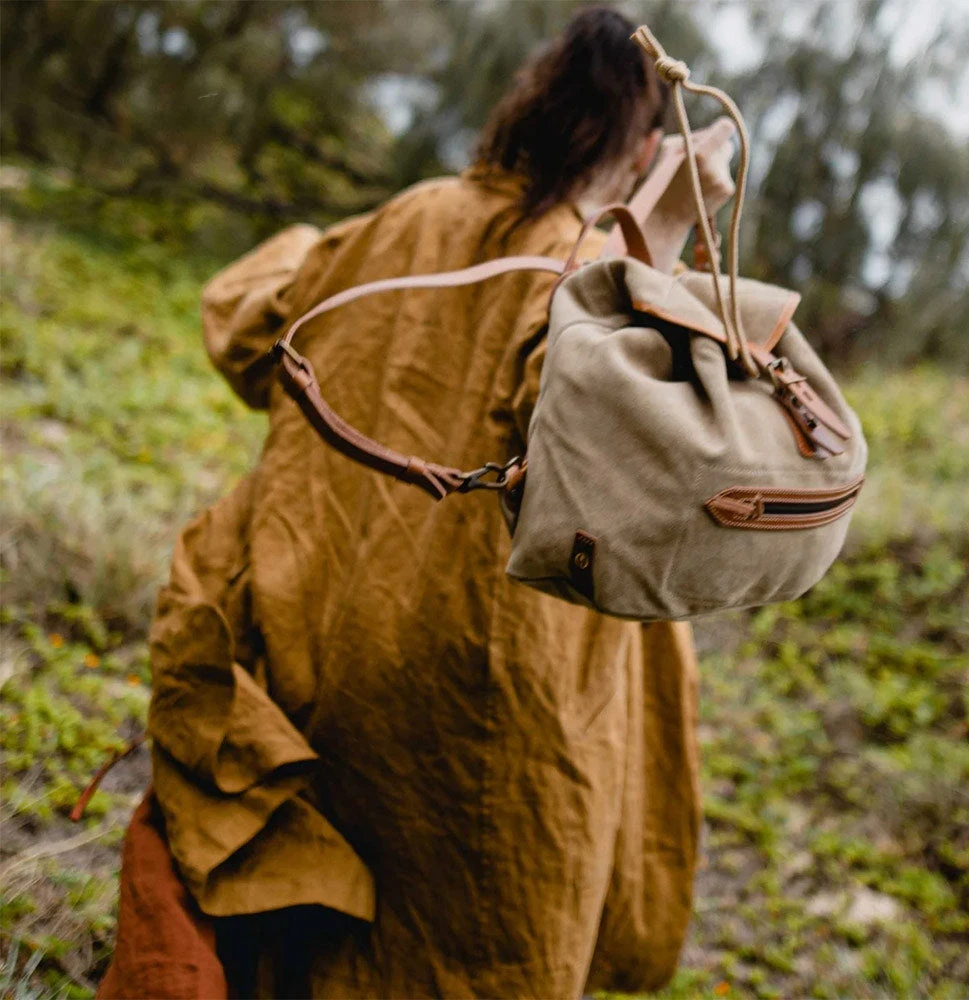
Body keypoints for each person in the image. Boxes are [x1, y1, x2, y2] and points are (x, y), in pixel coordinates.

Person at [99, 7, 738, 998]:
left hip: (311, 622)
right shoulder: (590, 279)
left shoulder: (409, 216)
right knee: (481, 934)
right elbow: (623, 444)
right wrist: (659, 234)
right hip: (480, 693)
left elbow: (247, 324)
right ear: (645, 148)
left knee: (313, 923)